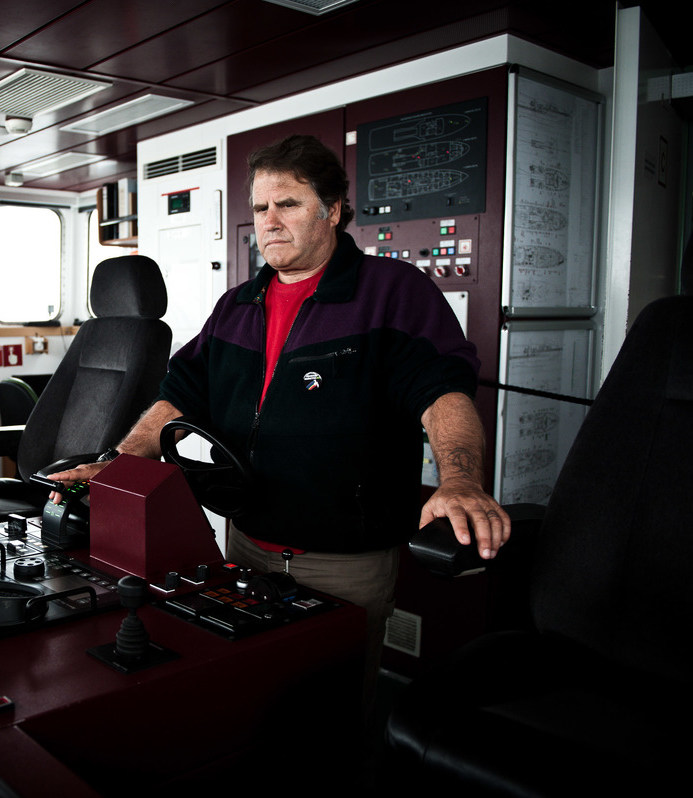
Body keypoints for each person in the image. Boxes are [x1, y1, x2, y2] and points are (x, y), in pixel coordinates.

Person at [49, 133, 509, 716]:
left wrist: (461, 480)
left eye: (288, 204)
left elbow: (442, 392)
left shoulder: (392, 293)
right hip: (242, 544)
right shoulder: (237, 305)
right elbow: (177, 397)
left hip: (344, 561)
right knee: (252, 699)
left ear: (333, 210)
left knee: (334, 714)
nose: (270, 221)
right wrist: (122, 462)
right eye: (261, 208)